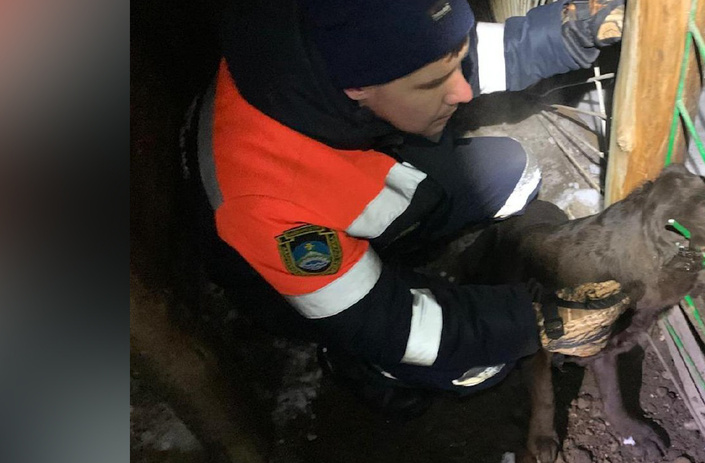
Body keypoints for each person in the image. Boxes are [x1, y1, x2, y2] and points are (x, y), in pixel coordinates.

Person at [181, 0, 629, 417]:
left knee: (512, 175)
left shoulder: (337, 44)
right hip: (288, 279)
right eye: (434, 84)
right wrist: (537, 321)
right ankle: (361, 365)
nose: (464, 92)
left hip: (348, 160)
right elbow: (388, 324)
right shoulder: (267, 200)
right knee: (476, 364)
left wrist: (570, 31)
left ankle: (394, 248)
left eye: (457, 62)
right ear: (358, 87)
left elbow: (443, 58)